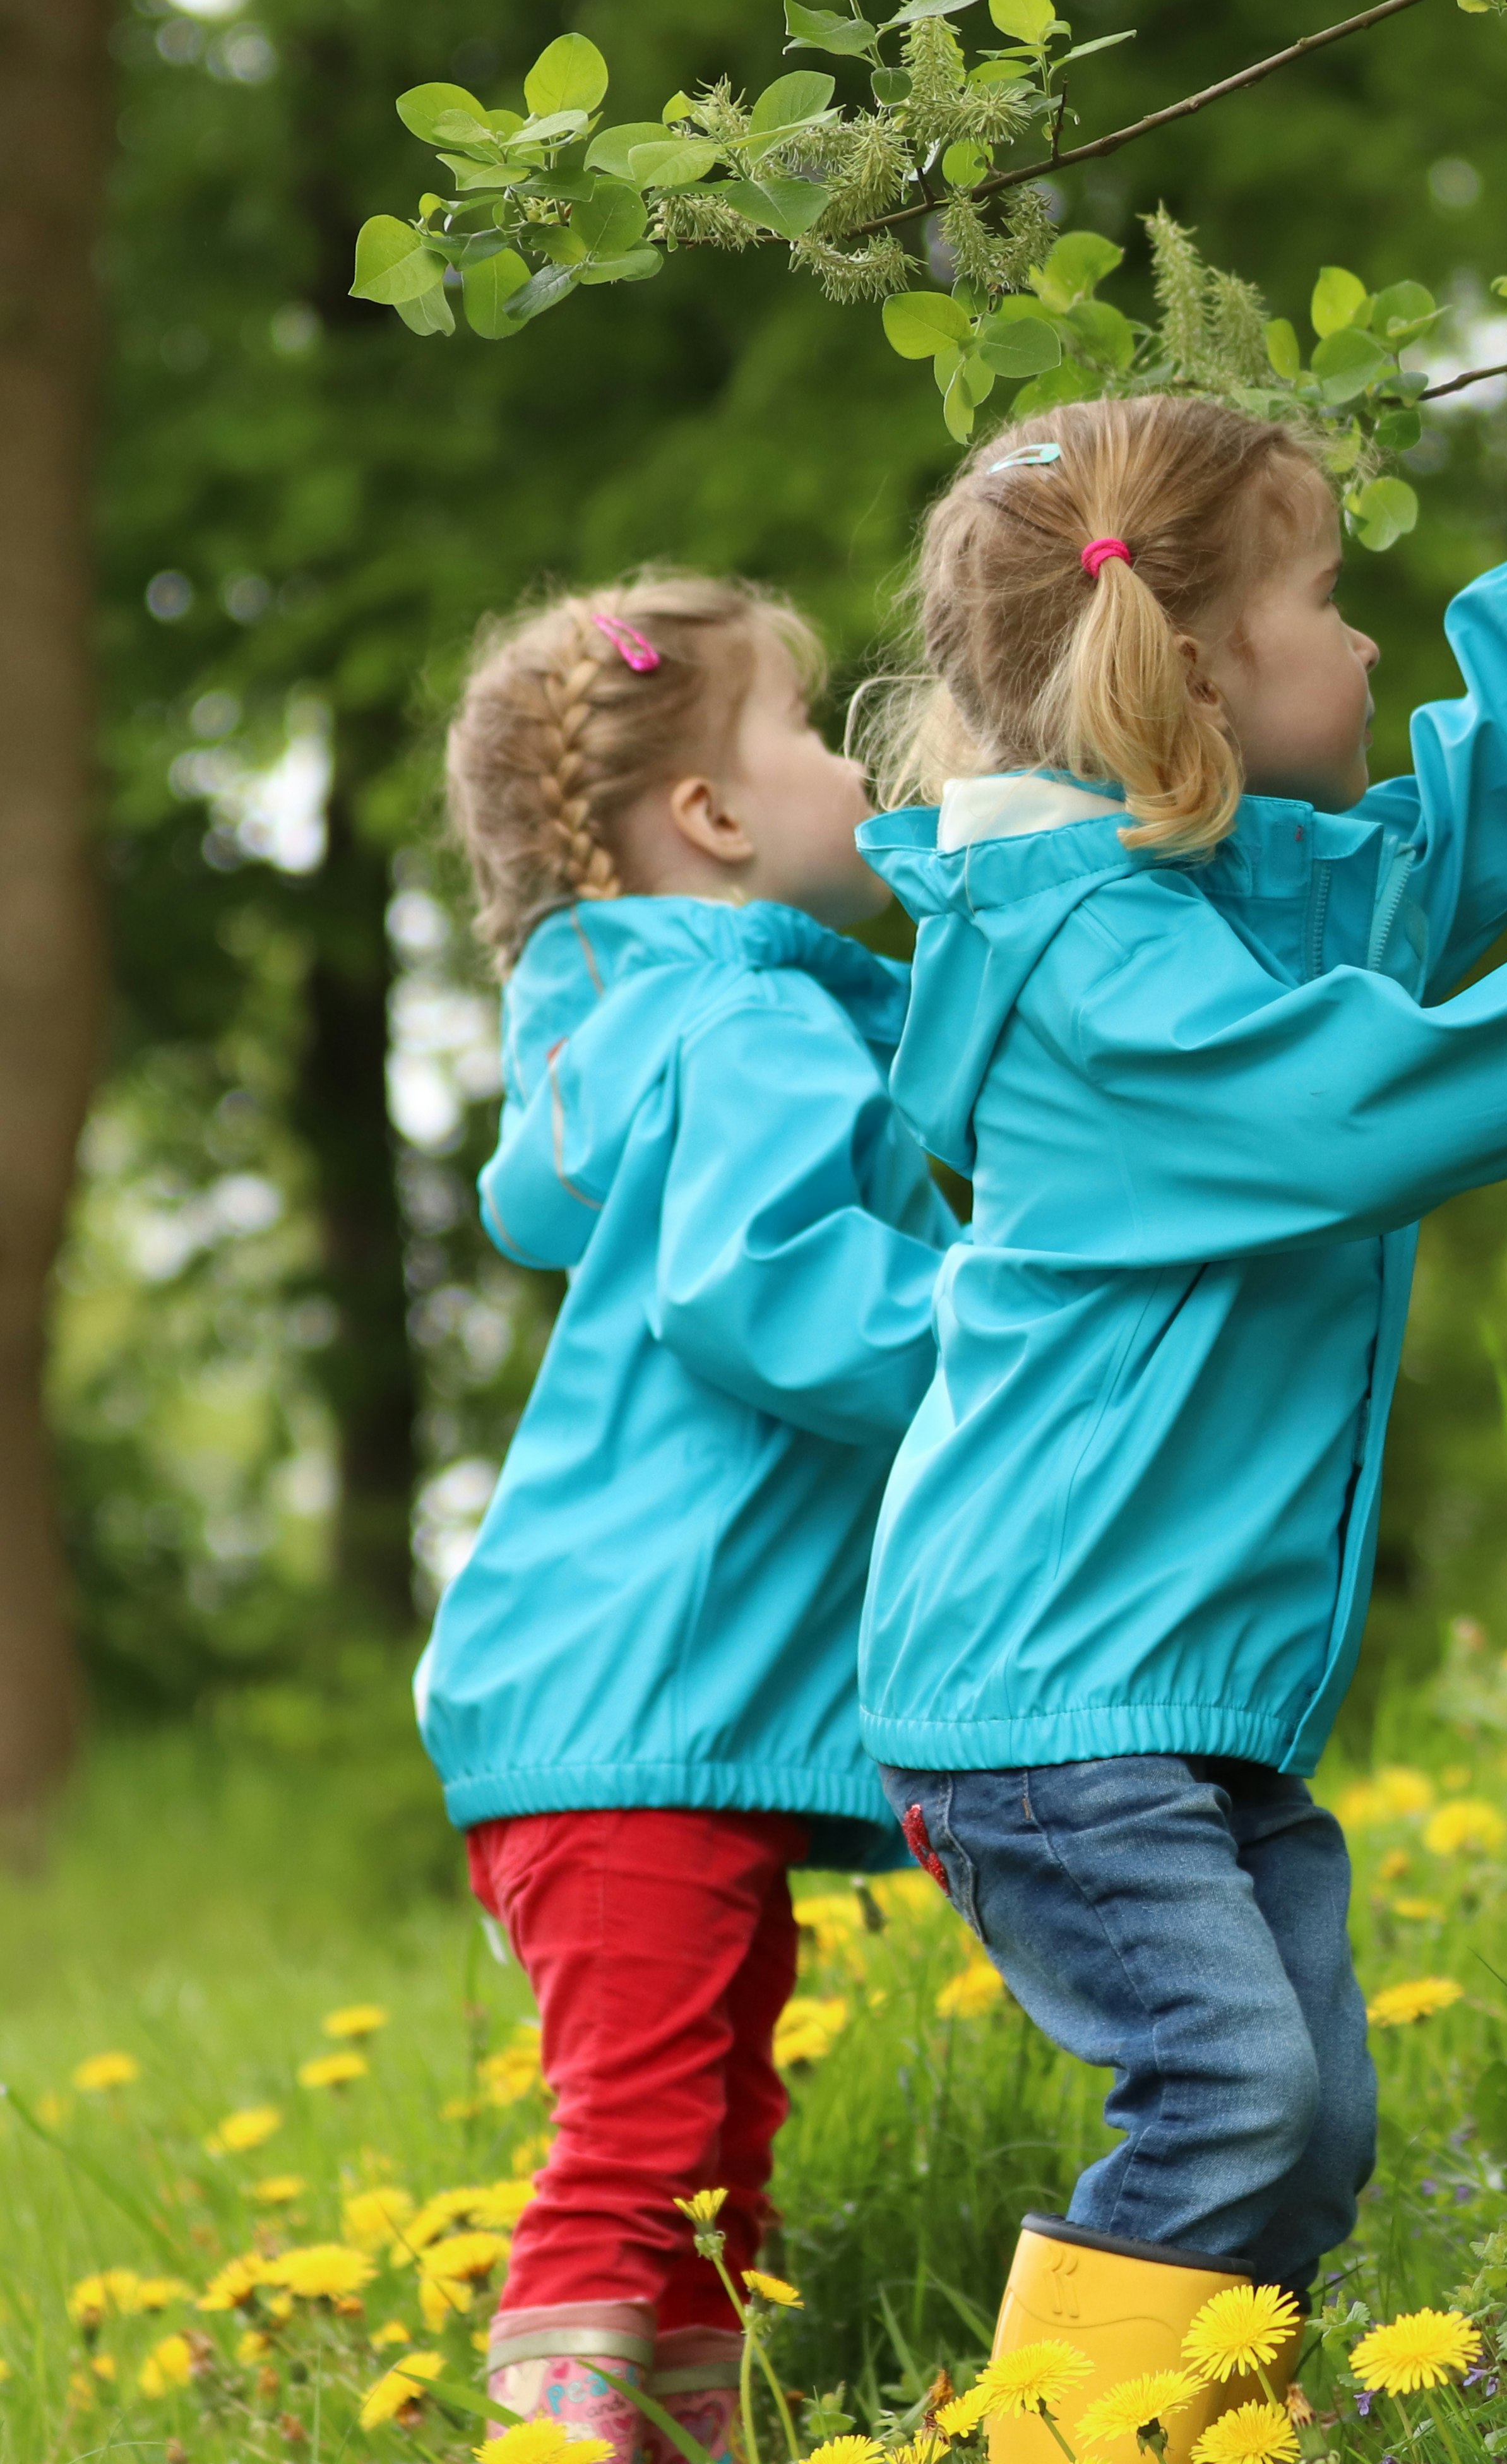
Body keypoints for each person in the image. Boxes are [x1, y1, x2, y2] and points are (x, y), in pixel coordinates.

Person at [857, 355, 1507, 2458]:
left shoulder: (1210, 911)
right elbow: (1369, 1104)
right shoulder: (1108, 985)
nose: (1363, 643)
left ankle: (1186, 2429)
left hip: (1164, 1693)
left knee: (1307, 2145)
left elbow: (1423, 868)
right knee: (1242, 2097)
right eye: (1328, 610)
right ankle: (1058, 2444)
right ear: (1201, 684)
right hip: (1051, 1700)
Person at [418, 574, 953, 2463]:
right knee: (640, 2146)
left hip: (620, 1710)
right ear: (713, 821)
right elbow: (765, 1287)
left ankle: (681, 2433)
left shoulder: (670, 1038)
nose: (851, 764)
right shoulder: (753, 1034)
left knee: (718, 2135)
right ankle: (556, 2436)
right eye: (810, 732)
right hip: (630, 1708)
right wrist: (993, 1329)